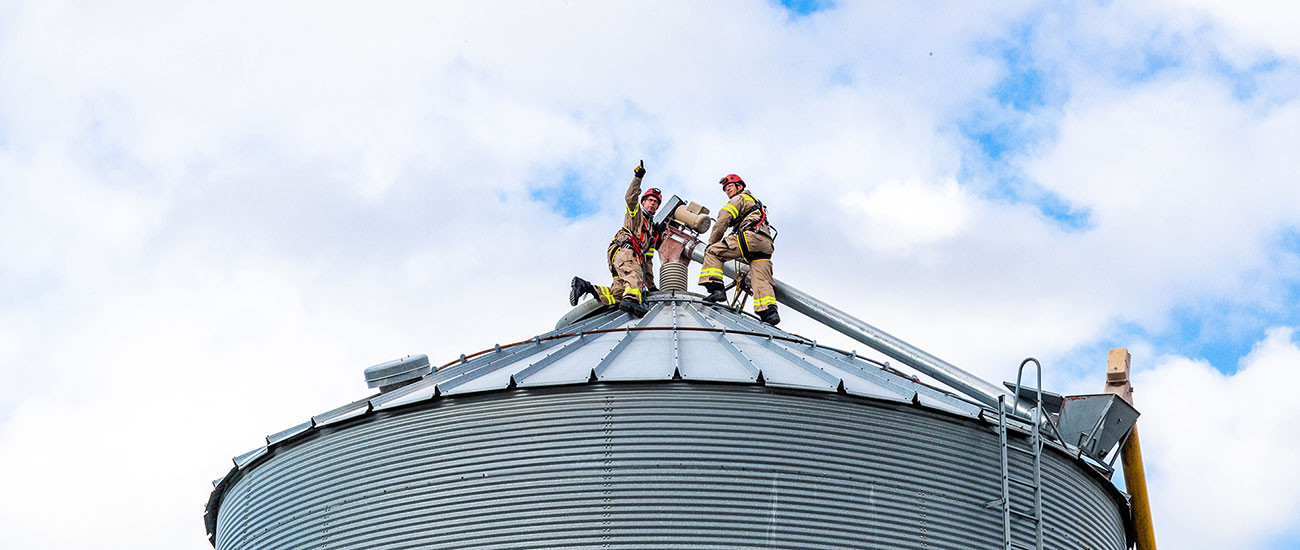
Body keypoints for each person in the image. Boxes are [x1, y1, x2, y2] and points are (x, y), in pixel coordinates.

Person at [569, 160, 662, 318]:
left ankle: (585, 286)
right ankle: (632, 300)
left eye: (656, 202)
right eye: (650, 200)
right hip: (625, 250)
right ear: (643, 201)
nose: (653, 204)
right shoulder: (636, 213)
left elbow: (648, 261)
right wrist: (637, 178)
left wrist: (652, 287)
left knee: (618, 293)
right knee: (634, 277)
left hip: (623, 255)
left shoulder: (651, 233)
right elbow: (630, 198)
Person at [698, 173, 779, 325]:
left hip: (750, 238)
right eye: (725, 189)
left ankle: (716, 288)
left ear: (739, 187)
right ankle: (769, 312)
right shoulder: (754, 202)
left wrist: (712, 242)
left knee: (713, 251)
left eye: (729, 187)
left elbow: (723, 220)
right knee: (761, 278)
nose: (727, 191)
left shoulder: (739, 199)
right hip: (765, 243)